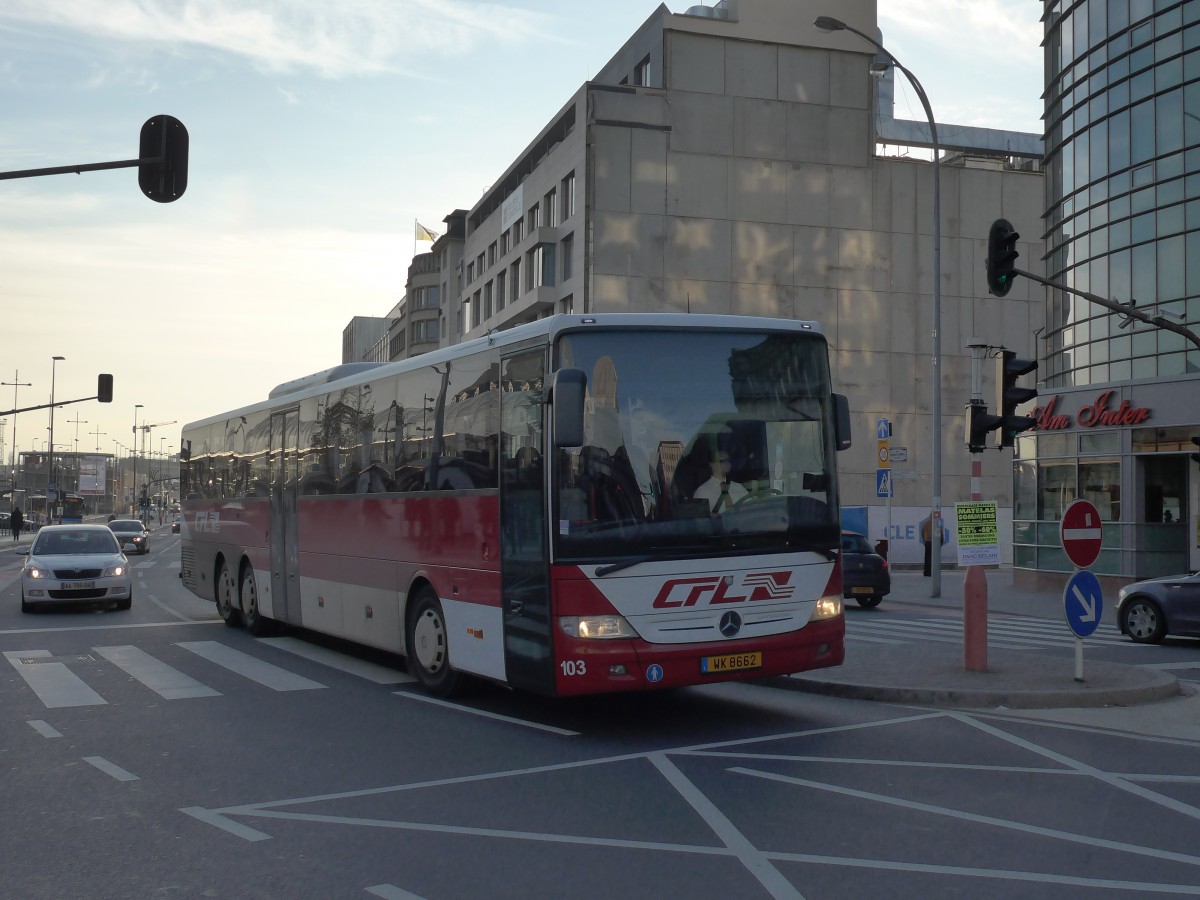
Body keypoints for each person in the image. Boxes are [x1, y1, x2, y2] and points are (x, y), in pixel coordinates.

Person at [693, 449, 747, 514]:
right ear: (711, 464)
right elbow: (702, 518)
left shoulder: (738, 487)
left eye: (728, 460)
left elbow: (751, 509)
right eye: (722, 460)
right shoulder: (702, 491)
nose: (727, 463)